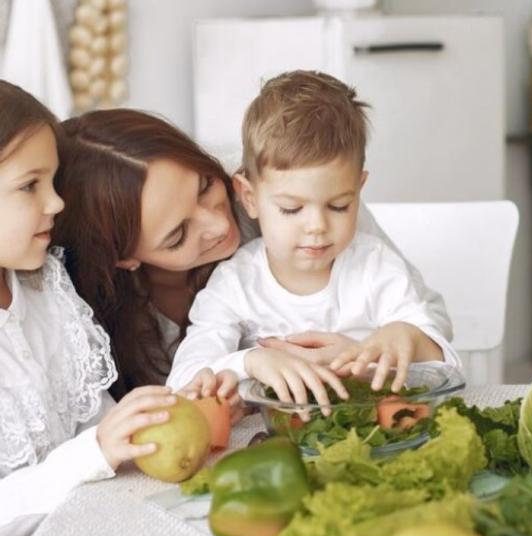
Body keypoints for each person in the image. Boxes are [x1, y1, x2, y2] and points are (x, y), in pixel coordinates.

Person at [53, 106, 453, 403]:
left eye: (206, 187)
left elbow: (426, 322)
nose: (218, 225)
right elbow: (185, 387)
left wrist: (365, 349)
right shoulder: (83, 307)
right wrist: (247, 363)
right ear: (126, 258)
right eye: (177, 236)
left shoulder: (295, 189)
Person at [0, 80, 198, 536]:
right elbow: (94, 450)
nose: (57, 203)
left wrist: (184, 413)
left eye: (54, 181)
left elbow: (103, 423)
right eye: (30, 186)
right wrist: (90, 455)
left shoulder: (45, 288)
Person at [167, 70, 460, 413]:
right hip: (276, 445)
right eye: (291, 209)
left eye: (339, 206)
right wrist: (251, 362)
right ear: (249, 197)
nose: (317, 227)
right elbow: (182, 381)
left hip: (368, 433)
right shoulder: (236, 283)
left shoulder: (376, 266)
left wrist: (411, 338)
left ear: (359, 189)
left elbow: (447, 370)